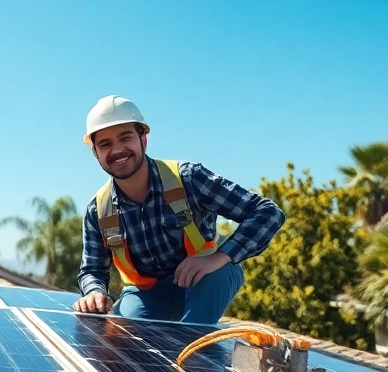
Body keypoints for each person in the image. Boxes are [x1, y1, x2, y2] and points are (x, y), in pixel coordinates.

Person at [74, 96, 284, 323]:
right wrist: (95, 292)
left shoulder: (187, 178)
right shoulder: (98, 210)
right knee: (122, 341)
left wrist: (217, 258)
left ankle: (195, 342)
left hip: (204, 278)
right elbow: (92, 269)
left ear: (143, 139)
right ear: (95, 152)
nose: (116, 150)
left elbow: (267, 212)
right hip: (145, 295)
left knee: (191, 341)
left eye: (126, 138)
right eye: (104, 144)